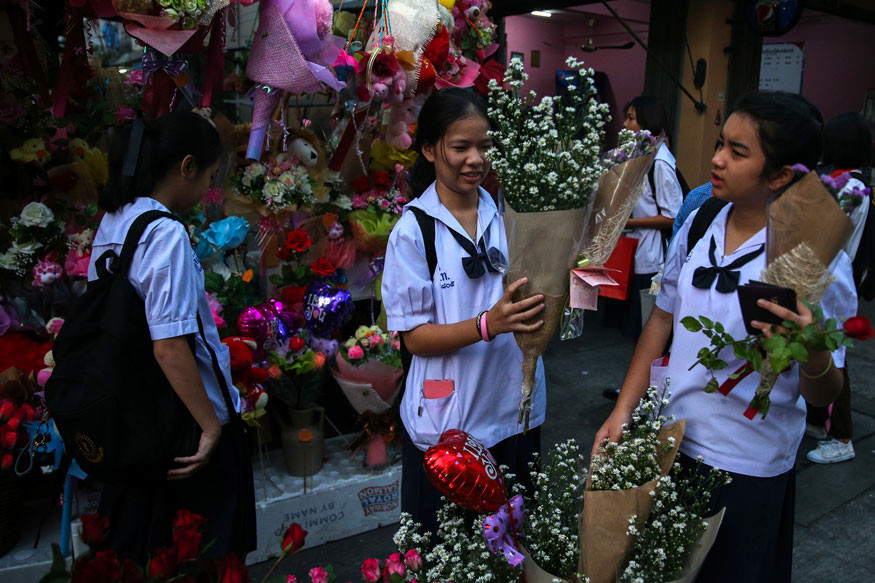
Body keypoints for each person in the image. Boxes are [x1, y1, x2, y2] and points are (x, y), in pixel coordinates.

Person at [593, 91, 856, 582]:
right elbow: (662, 321)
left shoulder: (812, 256)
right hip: (671, 444)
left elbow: (825, 392)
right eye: (720, 144)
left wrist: (813, 348)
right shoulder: (701, 222)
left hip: (748, 465)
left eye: (738, 152)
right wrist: (622, 410)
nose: (716, 159)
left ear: (780, 175)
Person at [89, 111, 256, 560]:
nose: (207, 188)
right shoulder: (164, 233)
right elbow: (169, 345)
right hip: (180, 422)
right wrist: (210, 427)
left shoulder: (114, 222)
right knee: (199, 552)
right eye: (208, 175)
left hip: (136, 412)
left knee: (147, 553)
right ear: (185, 167)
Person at [381, 88, 546, 534]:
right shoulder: (414, 232)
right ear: (430, 149)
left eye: (485, 146)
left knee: (512, 546)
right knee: (445, 549)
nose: (475, 159)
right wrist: (488, 324)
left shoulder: (508, 213)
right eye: (461, 147)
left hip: (513, 408)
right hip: (449, 427)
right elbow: (413, 337)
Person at [806, 111, 873, 464]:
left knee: (833, 354)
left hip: (833, 276)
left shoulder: (847, 187)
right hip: (833, 274)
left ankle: (841, 435)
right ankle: (819, 421)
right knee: (821, 346)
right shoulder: (857, 181)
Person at [611, 96, 684, 339]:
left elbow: (673, 217)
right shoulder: (640, 155)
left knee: (644, 327)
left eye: (631, 118)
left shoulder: (660, 162)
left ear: (647, 123)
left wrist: (628, 222)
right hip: (633, 252)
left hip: (651, 259)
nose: (625, 124)